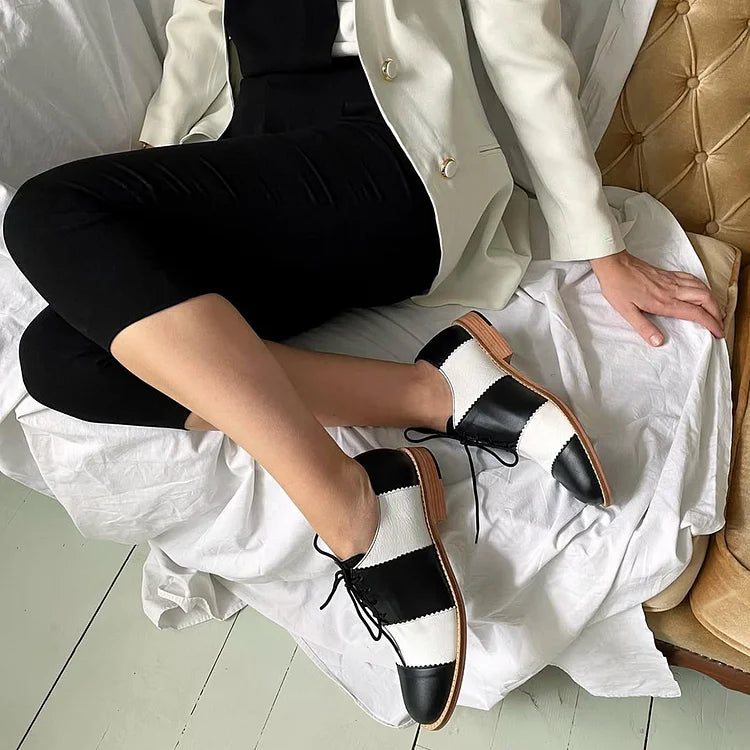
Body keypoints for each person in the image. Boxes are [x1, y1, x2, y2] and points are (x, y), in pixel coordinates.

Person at [1, 0, 723, 730]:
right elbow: (199, 27)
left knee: (45, 212)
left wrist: (599, 244)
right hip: (256, 166)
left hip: (391, 163)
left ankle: (355, 509)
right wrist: (146, 186)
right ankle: (434, 391)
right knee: (58, 357)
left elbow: (522, 43)